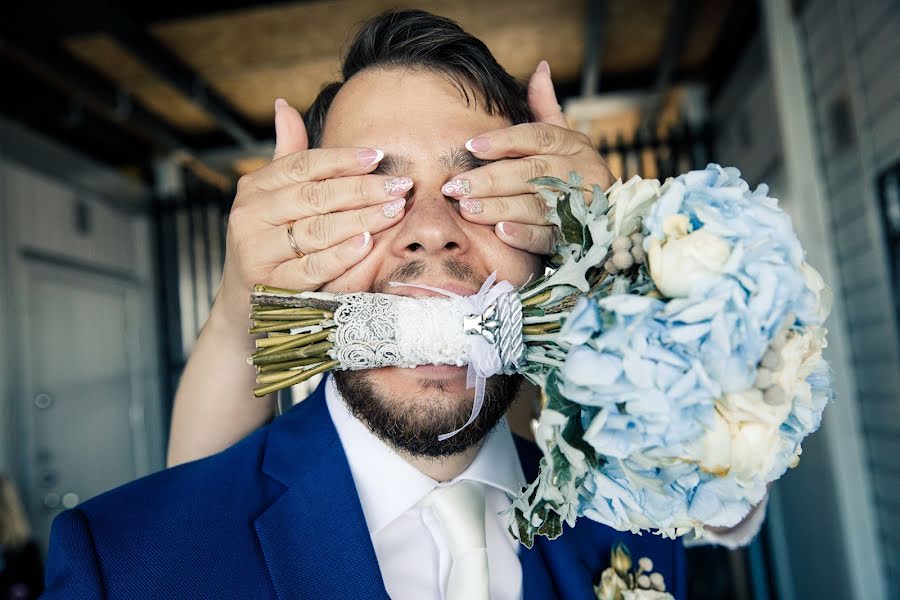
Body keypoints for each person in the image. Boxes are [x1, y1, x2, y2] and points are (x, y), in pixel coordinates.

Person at [43, 10, 760, 599]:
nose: (430, 234)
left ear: (552, 248)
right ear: (304, 239)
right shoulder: (123, 564)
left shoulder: (633, 532)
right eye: (375, 192)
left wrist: (615, 253)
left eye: (476, 189)